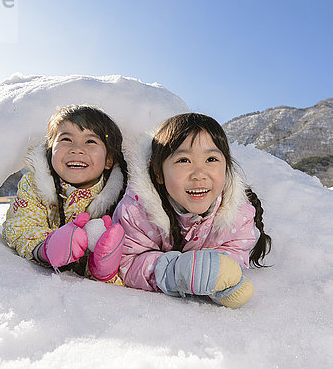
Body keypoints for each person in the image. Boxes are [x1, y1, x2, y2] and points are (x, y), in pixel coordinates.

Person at [113, 113, 272, 308]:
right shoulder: (137, 210)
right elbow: (127, 262)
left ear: (226, 167)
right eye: (184, 160)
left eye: (211, 159)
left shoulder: (237, 215)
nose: (199, 174)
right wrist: (176, 272)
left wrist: (216, 278)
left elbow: (234, 257)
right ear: (158, 172)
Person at [2, 105, 128, 284]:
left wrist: (107, 269)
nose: (76, 149)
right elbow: (20, 227)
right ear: (50, 149)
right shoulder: (35, 184)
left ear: (109, 160)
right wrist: (45, 248)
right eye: (66, 139)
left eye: (90, 141)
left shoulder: (124, 196)